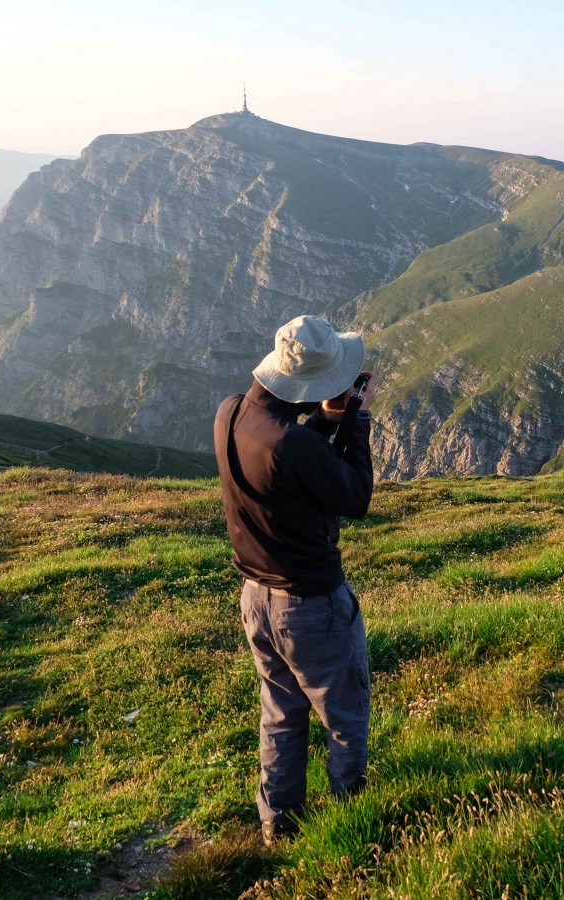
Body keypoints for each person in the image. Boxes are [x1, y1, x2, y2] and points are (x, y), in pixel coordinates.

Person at [213, 314, 377, 847]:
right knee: (344, 715)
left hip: (256, 598)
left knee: (281, 711)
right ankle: (352, 818)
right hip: (311, 604)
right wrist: (355, 419)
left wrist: (324, 420)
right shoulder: (294, 446)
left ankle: (277, 823)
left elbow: (285, 461)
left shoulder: (230, 413)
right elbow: (355, 497)